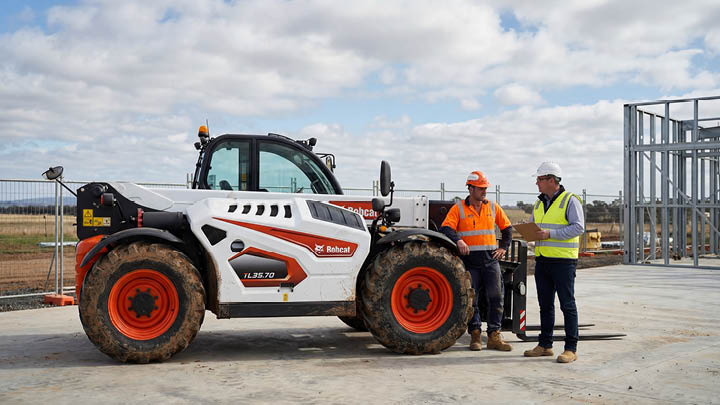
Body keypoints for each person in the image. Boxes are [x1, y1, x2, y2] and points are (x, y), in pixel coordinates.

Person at [440, 170, 513, 351]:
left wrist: (503, 247)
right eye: (480, 188)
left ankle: (494, 335)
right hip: (470, 261)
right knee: (473, 300)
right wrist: (458, 240)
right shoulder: (458, 208)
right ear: (470, 189)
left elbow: (507, 228)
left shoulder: (493, 207)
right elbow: (446, 228)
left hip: (490, 260)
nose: (484, 191)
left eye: (485, 188)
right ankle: (475, 335)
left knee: (496, 296)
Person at [523, 162, 584, 364]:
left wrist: (550, 234)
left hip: (563, 262)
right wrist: (528, 231)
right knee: (545, 305)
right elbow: (536, 226)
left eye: (539, 179)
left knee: (567, 305)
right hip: (543, 260)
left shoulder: (570, 201)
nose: (537, 183)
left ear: (551, 180)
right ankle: (545, 345)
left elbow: (578, 227)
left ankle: (571, 348)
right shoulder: (539, 203)